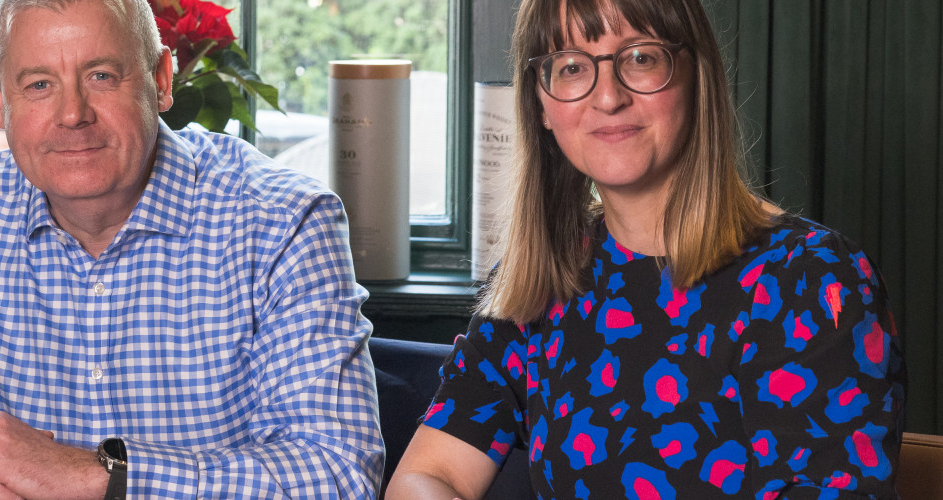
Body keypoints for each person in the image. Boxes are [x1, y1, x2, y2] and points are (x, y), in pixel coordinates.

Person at [0, 0, 382, 498]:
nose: (72, 114)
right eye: (38, 85)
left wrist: (96, 475)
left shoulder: (282, 222)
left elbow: (338, 473)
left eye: (101, 76)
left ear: (162, 80)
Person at [385, 0, 904, 498]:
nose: (607, 97)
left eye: (640, 57)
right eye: (570, 67)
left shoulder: (812, 278)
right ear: (540, 105)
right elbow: (428, 476)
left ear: (695, 78)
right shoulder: (543, 279)